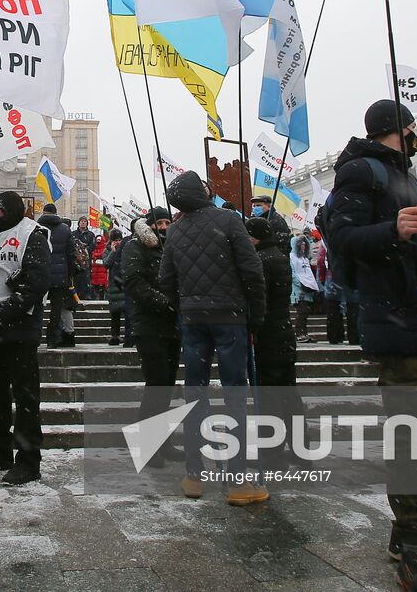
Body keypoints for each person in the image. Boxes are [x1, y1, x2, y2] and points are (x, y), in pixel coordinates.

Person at [324, 100, 417, 588]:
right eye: (412, 130)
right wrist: (392, 230)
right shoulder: (362, 173)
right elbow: (342, 238)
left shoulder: (402, 174)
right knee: (413, 430)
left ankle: (410, 526)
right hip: (402, 321)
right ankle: (412, 534)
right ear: (400, 130)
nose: (416, 137)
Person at [157, 172, 267, 506]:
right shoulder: (229, 220)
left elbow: (166, 279)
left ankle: (194, 475)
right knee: (234, 395)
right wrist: (256, 316)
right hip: (230, 317)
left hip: (193, 321)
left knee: (195, 393)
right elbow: (252, 270)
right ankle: (237, 481)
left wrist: (186, 306)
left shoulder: (175, 230)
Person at [0, 190, 52, 484]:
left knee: (26, 397)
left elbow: (37, 281)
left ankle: (29, 460)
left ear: (13, 211)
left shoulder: (33, 235)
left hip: (19, 329)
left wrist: (8, 310)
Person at [122, 210, 182, 461]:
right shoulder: (136, 246)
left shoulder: (172, 247)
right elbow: (134, 282)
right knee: (156, 384)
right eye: (159, 222)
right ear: (149, 224)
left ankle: (162, 442)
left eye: (168, 222)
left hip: (172, 325)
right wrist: (163, 302)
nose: (165, 227)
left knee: (167, 384)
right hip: (149, 324)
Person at [246, 212, 304, 469]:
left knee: (268, 396)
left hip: (267, 335)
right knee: (289, 394)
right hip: (283, 332)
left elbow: (258, 298)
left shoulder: (259, 261)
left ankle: (272, 454)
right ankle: (302, 451)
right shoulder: (280, 256)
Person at [38, 204, 78, 347]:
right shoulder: (65, 229)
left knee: (37, 305)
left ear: (43, 213)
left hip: (41, 273)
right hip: (60, 276)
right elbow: (71, 254)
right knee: (56, 308)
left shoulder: (36, 228)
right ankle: (52, 337)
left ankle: (35, 335)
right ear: (56, 213)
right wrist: (70, 275)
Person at [289, 234, 319, 343]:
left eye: (304, 244)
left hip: (307, 289)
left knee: (305, 313)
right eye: (301, 244)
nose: (303, 246)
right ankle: (299, 333)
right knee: (302, 312)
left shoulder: (304, 258)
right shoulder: (292, 257)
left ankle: (303, 333)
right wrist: (300, 284)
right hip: (299, 290)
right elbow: (292, 274)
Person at [72, 216, 96, 301]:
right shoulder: (74, 234)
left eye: (84, 221)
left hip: (86, 260)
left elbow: (93, 246)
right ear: (78, 223)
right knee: (77, 278)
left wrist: (85, 250)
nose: (83, 223)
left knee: (86, 277)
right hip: (76, 260)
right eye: (81, 221)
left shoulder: (90, 234)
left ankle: (86, 294)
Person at [90, 233, 109, 302]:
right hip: (95, 272)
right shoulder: (94, 250)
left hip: (101, 272)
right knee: (96, 286)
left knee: (101, 286)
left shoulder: (104, 250)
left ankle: (101, 297)